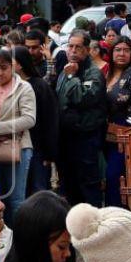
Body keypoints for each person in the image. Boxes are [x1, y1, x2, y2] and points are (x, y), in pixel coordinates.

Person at [55, 29, 107, 207]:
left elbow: (83, 98)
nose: (73, 51)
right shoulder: (66, 69)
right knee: (68, 184)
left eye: (78, 47)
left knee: (89, 184)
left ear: (87, 49)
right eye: (70, 46)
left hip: (85, 136)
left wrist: (71, 76)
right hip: (66, 137)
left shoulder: (93, 73)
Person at [0, 49, 36, 223]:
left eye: (4, 68)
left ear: (12, 67)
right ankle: (3, 238)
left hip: (18, 147)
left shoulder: (24, 87)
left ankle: (20, 239)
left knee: (16, 199)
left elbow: (29, 119)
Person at [102, 37, 131, 207]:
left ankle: (117, 215)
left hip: (124, 130)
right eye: (118, 50)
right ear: (111, 52)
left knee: (115, 174)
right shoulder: (106, 71)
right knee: (107, 177)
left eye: (126, 50)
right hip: (103, 130)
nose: (122, 53)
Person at [12, 45, 58, 196]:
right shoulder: (11, 86)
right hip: (16, 147)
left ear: (20, 64)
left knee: (39, 192)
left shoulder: (39, 86)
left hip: (38, 149)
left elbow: (49, 121)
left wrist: (49, 154)